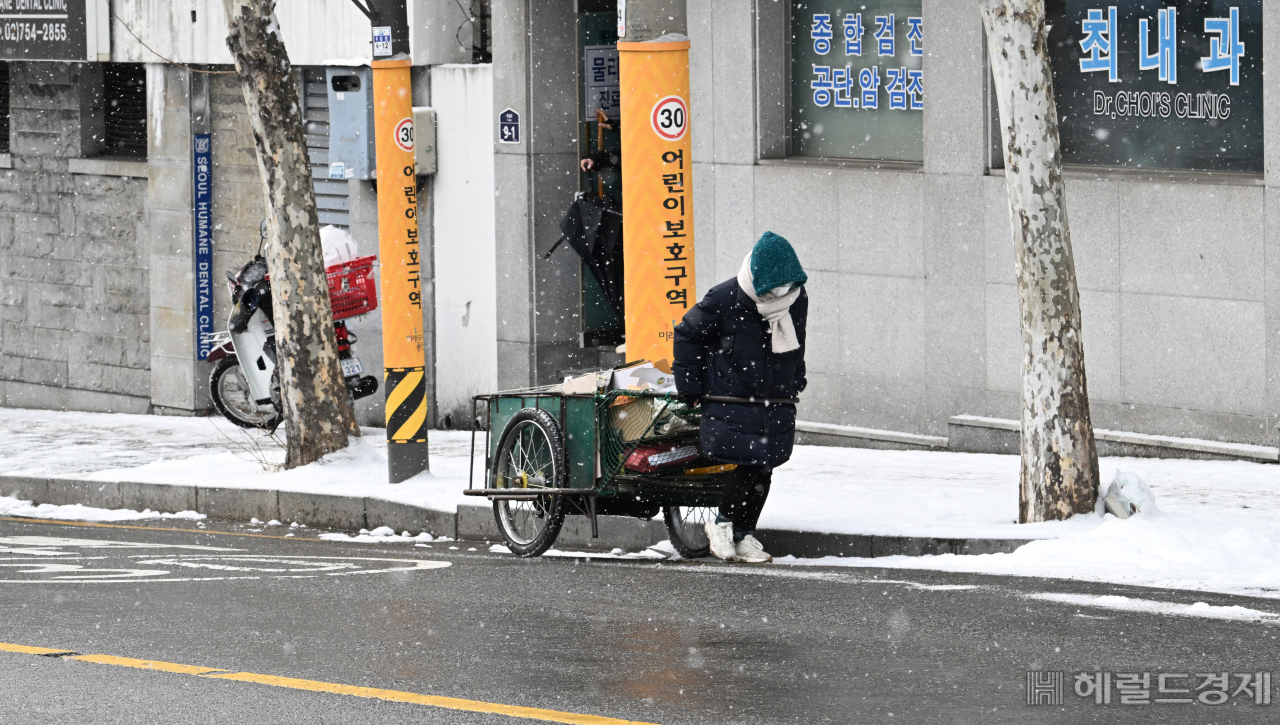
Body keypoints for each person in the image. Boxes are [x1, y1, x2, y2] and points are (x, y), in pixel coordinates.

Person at [672, 231, 808, 563]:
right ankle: (722, 524)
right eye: (775, 289)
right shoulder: (725, 297)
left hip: (775, 396)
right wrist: (690, 387)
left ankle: (744, 534)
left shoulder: (797, 298)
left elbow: (797, 340)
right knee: (751, 461)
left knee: (767, 466)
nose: (781, 295)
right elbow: (687, 333)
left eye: (786, 287)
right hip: (731, 395)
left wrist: (796, 378)